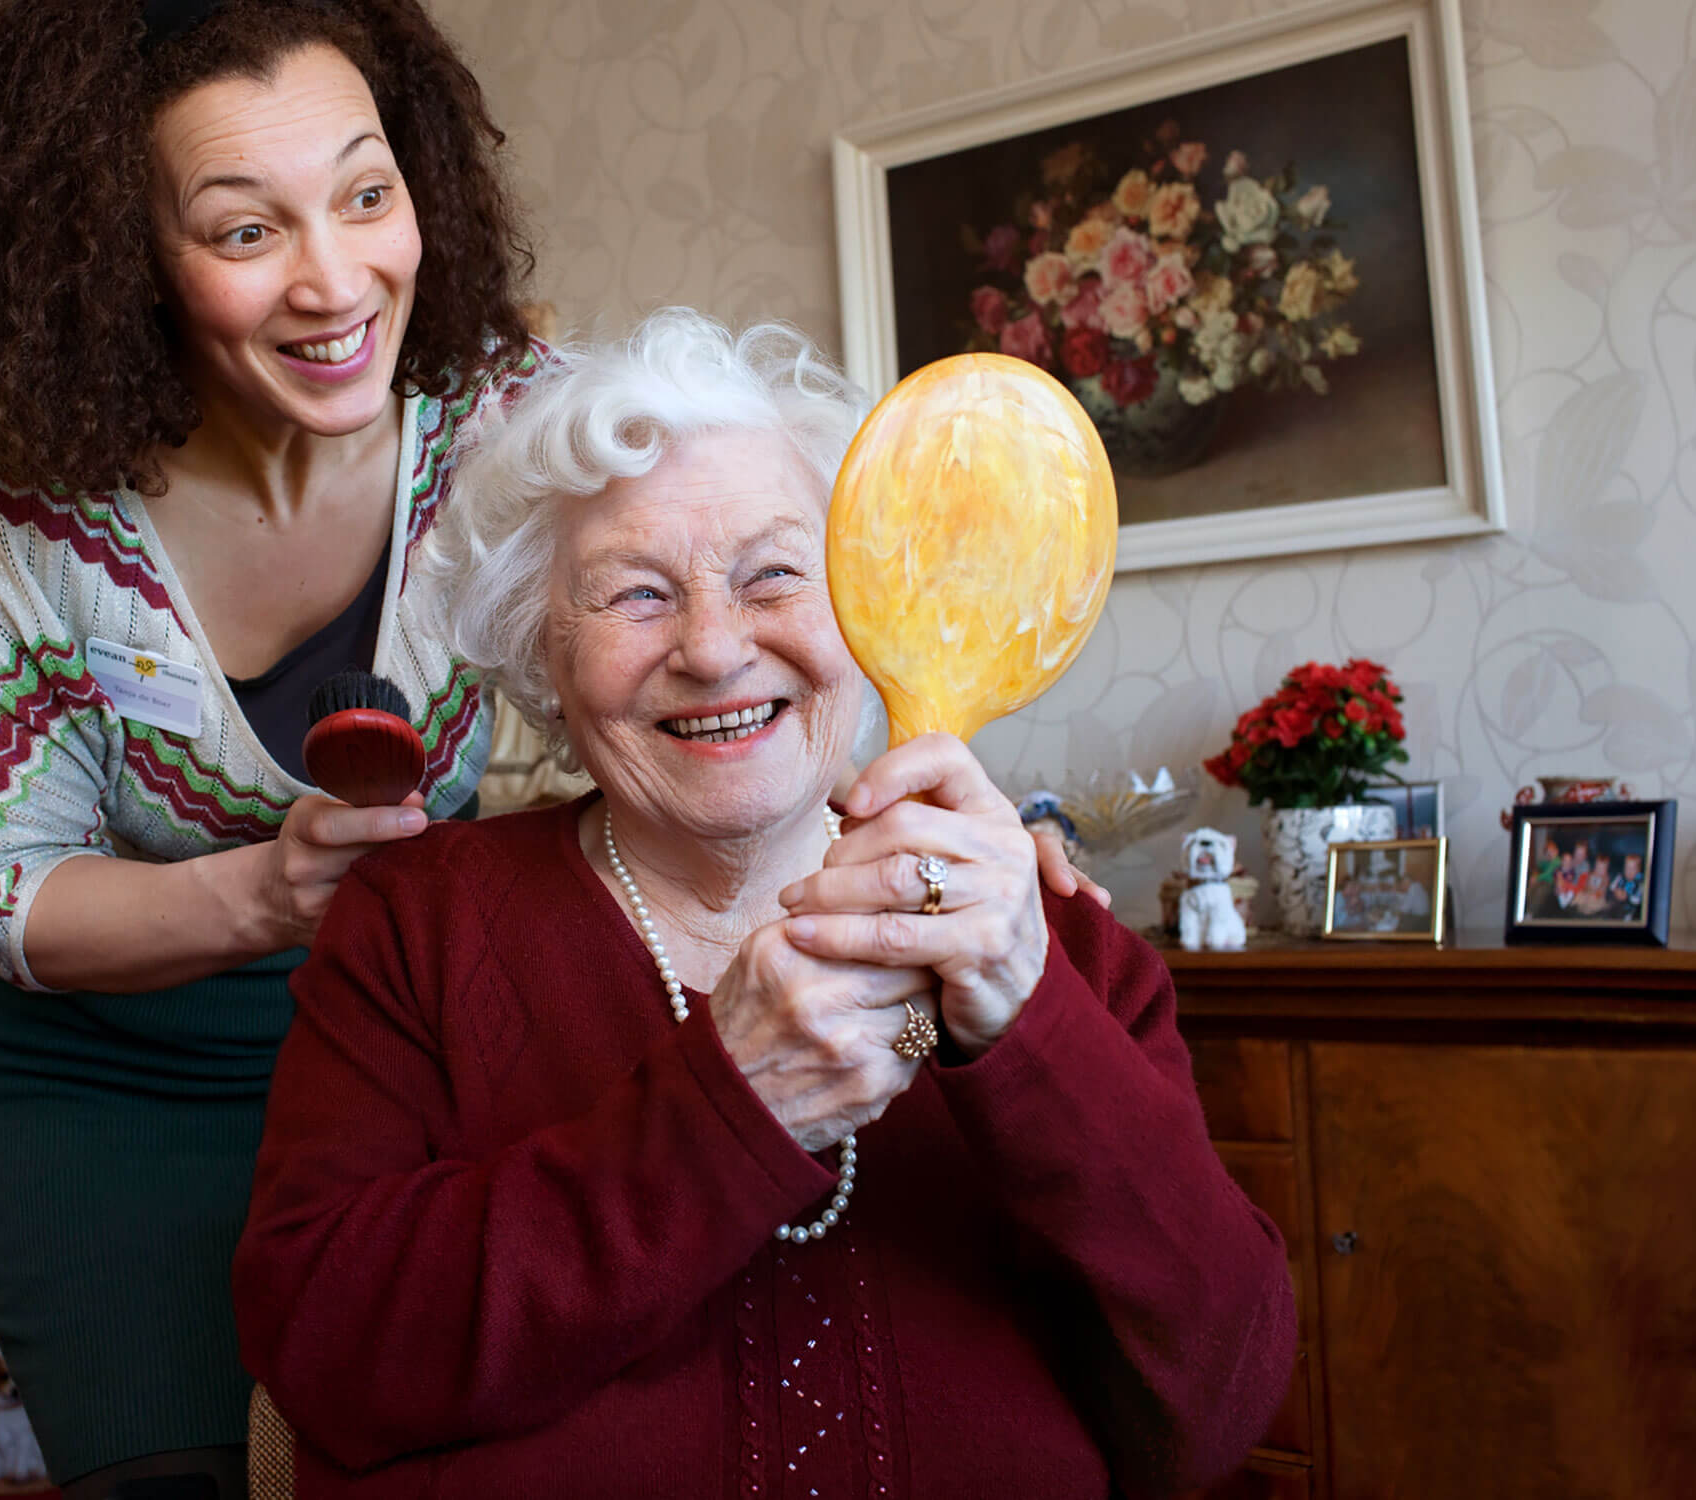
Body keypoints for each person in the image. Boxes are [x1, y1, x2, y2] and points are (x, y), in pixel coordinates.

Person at [233, 311, 1296, 1497]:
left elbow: (1224, 1396)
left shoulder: (1052, 942)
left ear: (867, 602)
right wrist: (725, 1111)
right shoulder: (419, 928)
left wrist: (1026, 1020)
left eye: (776, 575)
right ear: (545, 653)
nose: (715, 647)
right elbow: (322, 1352)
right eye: (636, 596)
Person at [0, 0, 541, 1491]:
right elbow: (7, 891)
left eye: (365, 193)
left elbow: (648, 667)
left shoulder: (501, 423)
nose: (337, 281)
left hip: (405, 1054)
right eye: (242, 230)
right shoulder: (23, 505)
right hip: (108, 1104)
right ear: (118, 260)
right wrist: (263, 900)